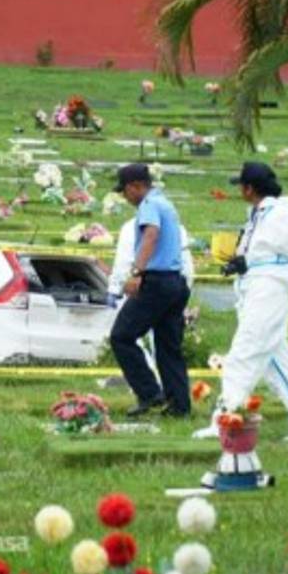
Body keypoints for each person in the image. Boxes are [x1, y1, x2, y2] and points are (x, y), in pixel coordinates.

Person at [194, 162, 288, 441]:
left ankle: (224, 420)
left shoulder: (279, 217)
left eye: (241, 185)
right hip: (255, 292)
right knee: (280, 369)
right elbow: (263, 253)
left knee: (242, 356)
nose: (239, 189)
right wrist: (242, 263)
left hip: (267, 296)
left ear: (250, 188)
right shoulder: (260, 216)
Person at [109, 163, 192, 417]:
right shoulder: (165, 203)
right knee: (168, 347)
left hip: (155, 282)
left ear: (136, 186)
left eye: (125, 191)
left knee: (121, 337)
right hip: (176, 282)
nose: (125, 197)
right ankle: (179, 406)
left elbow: (151, 235)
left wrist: (136, 273)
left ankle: (149, 394)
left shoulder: (149, 205)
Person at [108, 214, 195, 373]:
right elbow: (187, 263)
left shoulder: (132, 226)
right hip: (176, 287)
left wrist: (115, 288)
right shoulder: (177, 227)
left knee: (125, 337)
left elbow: (124, 260)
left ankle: (150, 386)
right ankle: (172, 392)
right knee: (167, 345)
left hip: (144, 287)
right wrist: (186, 289)